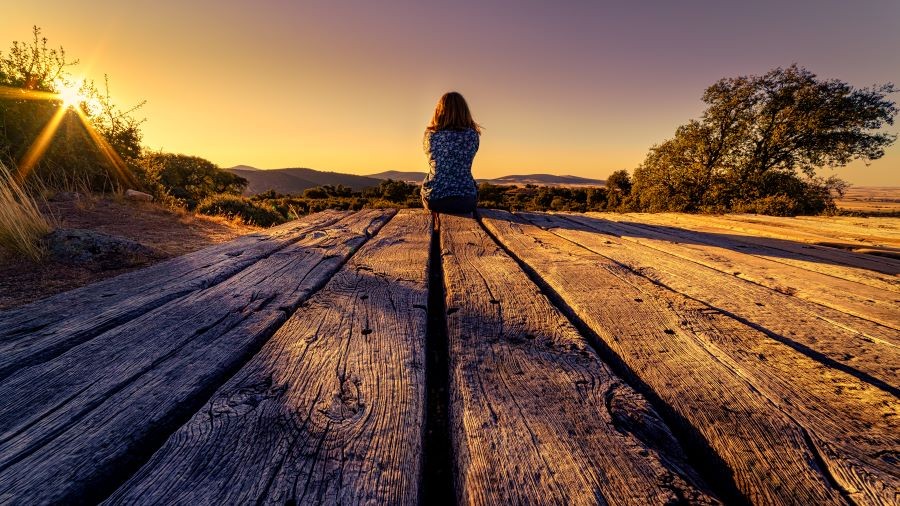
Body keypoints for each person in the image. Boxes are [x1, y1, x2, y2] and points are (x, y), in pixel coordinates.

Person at [421, 92, 481, 226]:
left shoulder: (430, 136)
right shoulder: (472, 135)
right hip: (466, 200)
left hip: (435, 198)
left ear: (438, 111)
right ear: (464, 111)